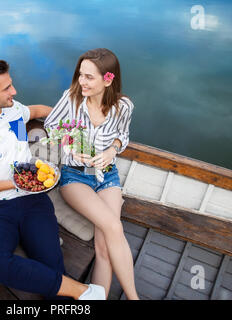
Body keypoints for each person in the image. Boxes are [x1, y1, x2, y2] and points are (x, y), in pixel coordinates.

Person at [0, 56, 105, 300]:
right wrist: (13, 183)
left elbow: (38, 111)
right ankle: (84, 292)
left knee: (53, 273)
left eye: (12, 84)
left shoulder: (13, 110)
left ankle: (74, 294)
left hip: (34, 201)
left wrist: (69, 121)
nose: (15, 91)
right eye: (7, 88)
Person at [44, 48, 139, 300]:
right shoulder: (71, 98)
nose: (81, 82)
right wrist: (71, 144)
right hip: (75, 177)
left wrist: (112, 150)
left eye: (89, 77)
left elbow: (123, 135)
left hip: (107, 175)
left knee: (104, 248)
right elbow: (50, 126)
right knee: (112, 226)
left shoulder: (124, 106)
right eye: (80, 75)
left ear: (108, 79)